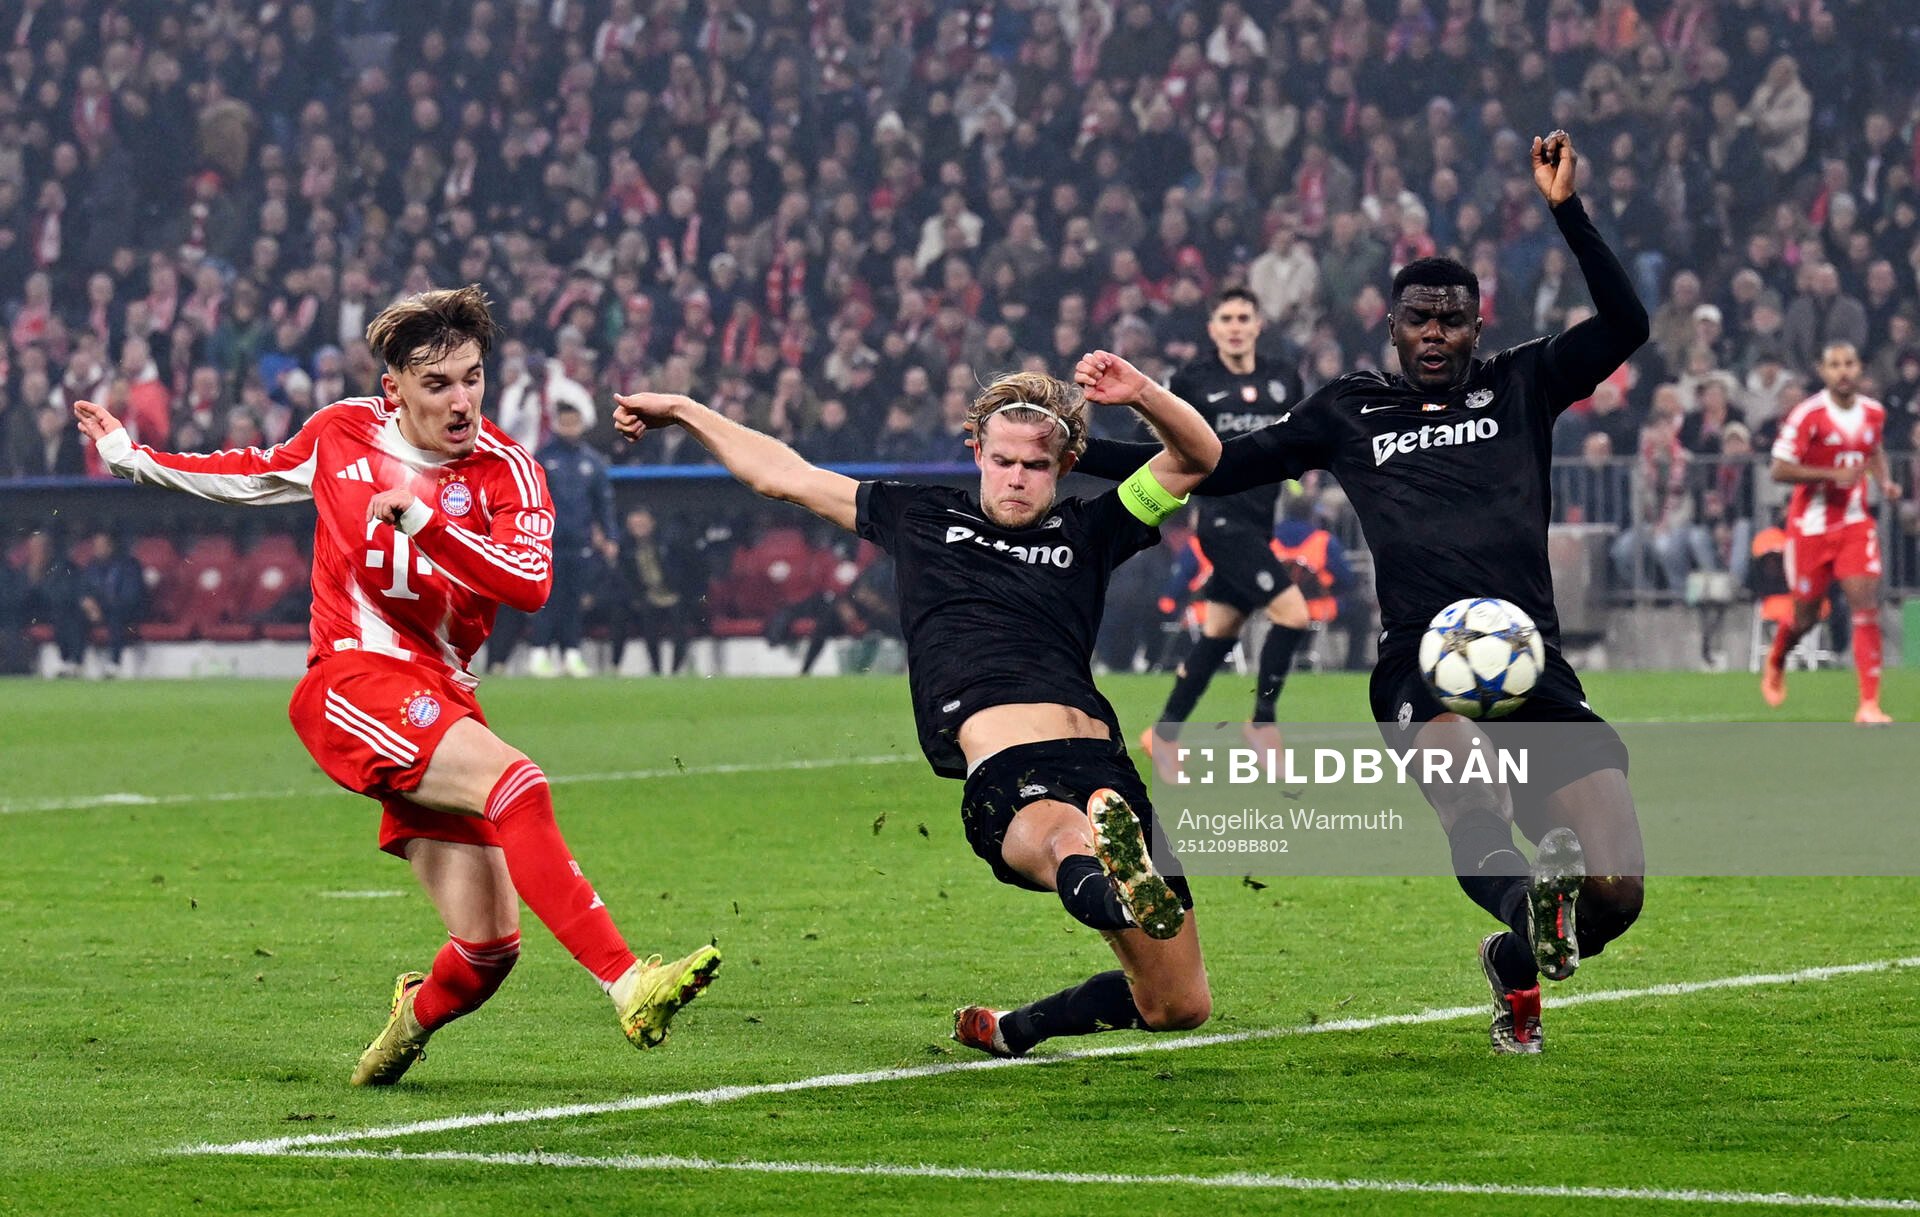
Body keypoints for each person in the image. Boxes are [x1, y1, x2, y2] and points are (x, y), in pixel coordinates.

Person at [1075, 131, 1650, 1056]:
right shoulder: (1350, 409)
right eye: (1419, 319)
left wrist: (1567, 213)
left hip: (1530, 665)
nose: (1436, 334)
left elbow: (1626, 325)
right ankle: (1525, 909)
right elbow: (1220, 465)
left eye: (1453, 320)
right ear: (1392, 325)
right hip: (1420, 659)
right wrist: (1084, 450)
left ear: (1478, 326)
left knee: (1617, 893)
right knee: (1473, 798)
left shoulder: (1524, 382)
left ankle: (1514, 952)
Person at [73, 286, 719, 1086]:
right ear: (396, 389)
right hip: (351, 677)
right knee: (517, 783)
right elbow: (248, 474)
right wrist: (130, 456)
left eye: (473, 378)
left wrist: (426, 521)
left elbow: (530, 583)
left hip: (441, 695)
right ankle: (628, 982)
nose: (461, 401)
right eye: (437, 383)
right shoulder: (342, 432)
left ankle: (407, 1024)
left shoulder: (510, 470)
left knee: (488, 948)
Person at [613, 353, 1221, 1058]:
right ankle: (1112, 882)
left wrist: (1141, 392)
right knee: (1067, 841)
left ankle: (1013, 1028)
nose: (1017, 477)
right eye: (1003, 461)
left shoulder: (1092, 529)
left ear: (1065, 465)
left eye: (1035, 465)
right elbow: (782, 475)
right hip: (1009, 768)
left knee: (1179, 1004)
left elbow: (1200, 458)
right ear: (977, 454)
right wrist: (683, 409)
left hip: (1105, 765)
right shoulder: (922, 516)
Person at [1140, 287, 1309, 777]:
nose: (1235, 327)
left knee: (1218, 634)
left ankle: (1164, 735)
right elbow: (1154, 435)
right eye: (1226, 318)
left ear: (1258, 325)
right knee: (1293, 616)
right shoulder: (1192, 381)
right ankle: (1263, 722)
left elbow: (1305, 436)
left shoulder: (1284, 378)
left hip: (1260, 522)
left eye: (1243, 318)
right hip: (1219, 521)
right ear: (1212, 329)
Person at [1761, 341, 1898, 723]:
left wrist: (1884, 482)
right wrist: (1830, 474)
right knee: (1805, 617)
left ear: (1860, 368)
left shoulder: (1873, 412)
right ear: (1822, 371)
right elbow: (1778, 469)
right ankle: (1778, 656)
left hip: (1854, 521)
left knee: (1865, 605)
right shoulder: (1808, 415)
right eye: (1835, 365)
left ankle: (1869, 704)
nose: (1843, 371)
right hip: (1811, 526)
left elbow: (1873, 450)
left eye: (1849, 363)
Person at [528, 400, 615, 678]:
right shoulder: (542, 458)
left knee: (574, 600)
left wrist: (610, 536)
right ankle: (539, 652)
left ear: (581, 424)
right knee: (546, 599)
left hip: (580, 544)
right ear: (557, 424)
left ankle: (571, 653)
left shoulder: (592, 461)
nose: (569, 428)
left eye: (573, 422)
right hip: (547, 544)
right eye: (564, 423)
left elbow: (603, 504)